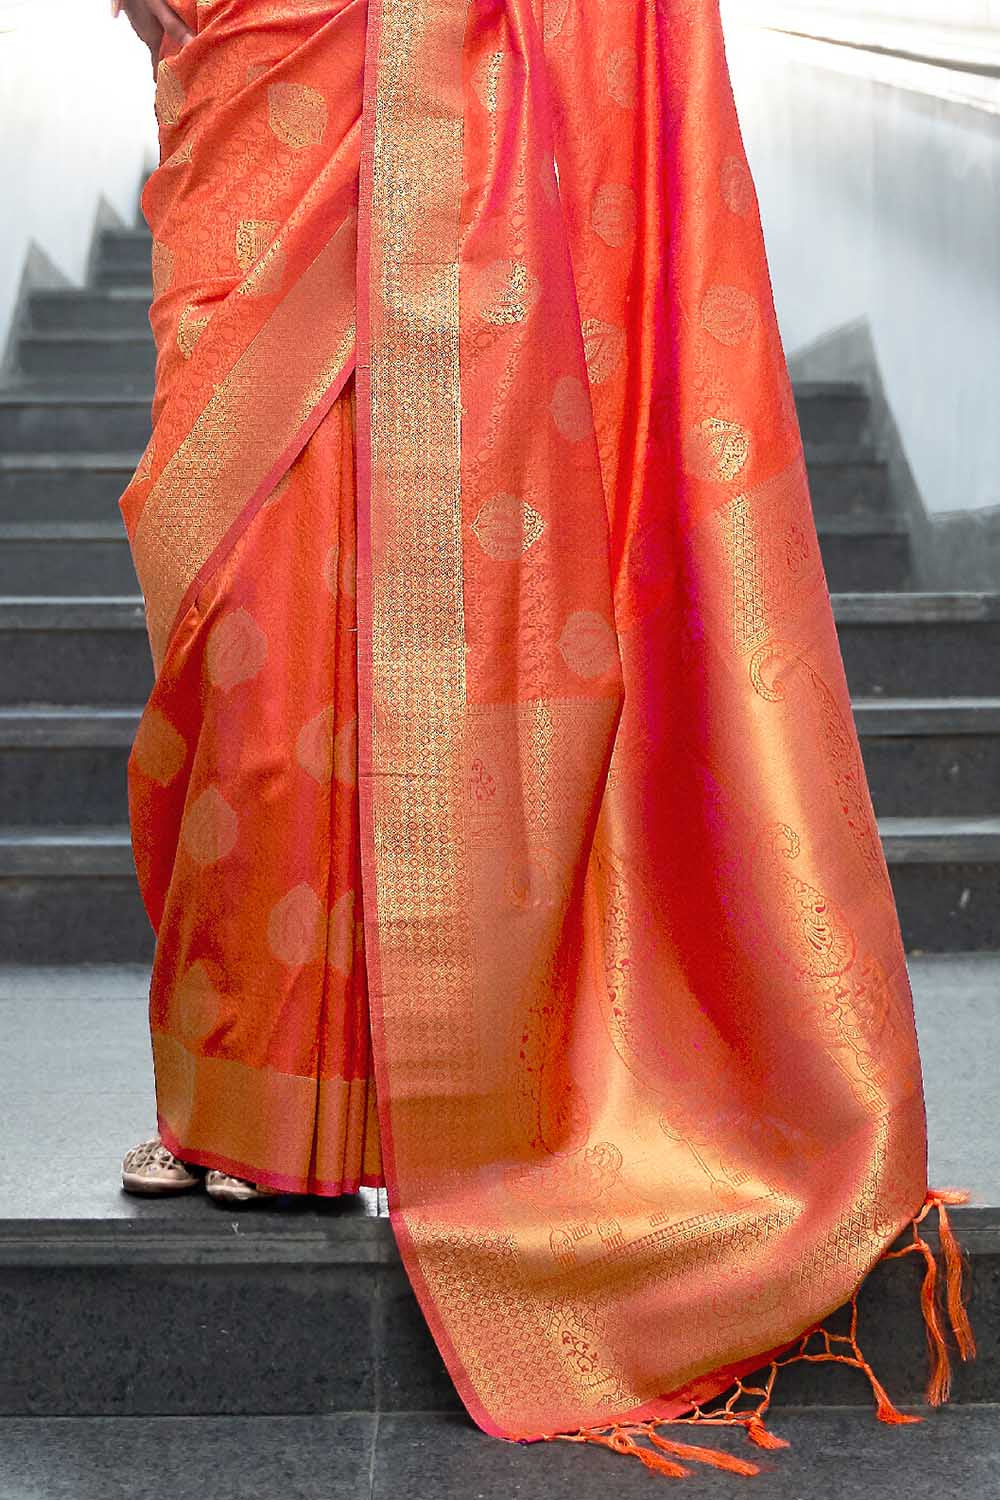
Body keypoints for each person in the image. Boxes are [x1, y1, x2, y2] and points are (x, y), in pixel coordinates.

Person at [112, 0, 975, 1472]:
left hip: (451, 66)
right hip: (258, 67)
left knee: (341, 582)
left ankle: (420, 1104)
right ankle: (256, 1102)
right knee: (247, 606)